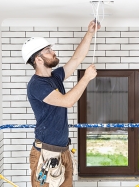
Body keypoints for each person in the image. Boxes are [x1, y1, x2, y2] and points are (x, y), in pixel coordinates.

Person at [21, 20, 101, 187]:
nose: (53, 52)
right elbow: (67, 101)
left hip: (63, 150)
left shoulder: (54, 77)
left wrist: (90, 33)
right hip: (46, 153)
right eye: (48, 51)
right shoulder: (37, 85)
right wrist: (85, 78)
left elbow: (77, 58)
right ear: (39, 59)